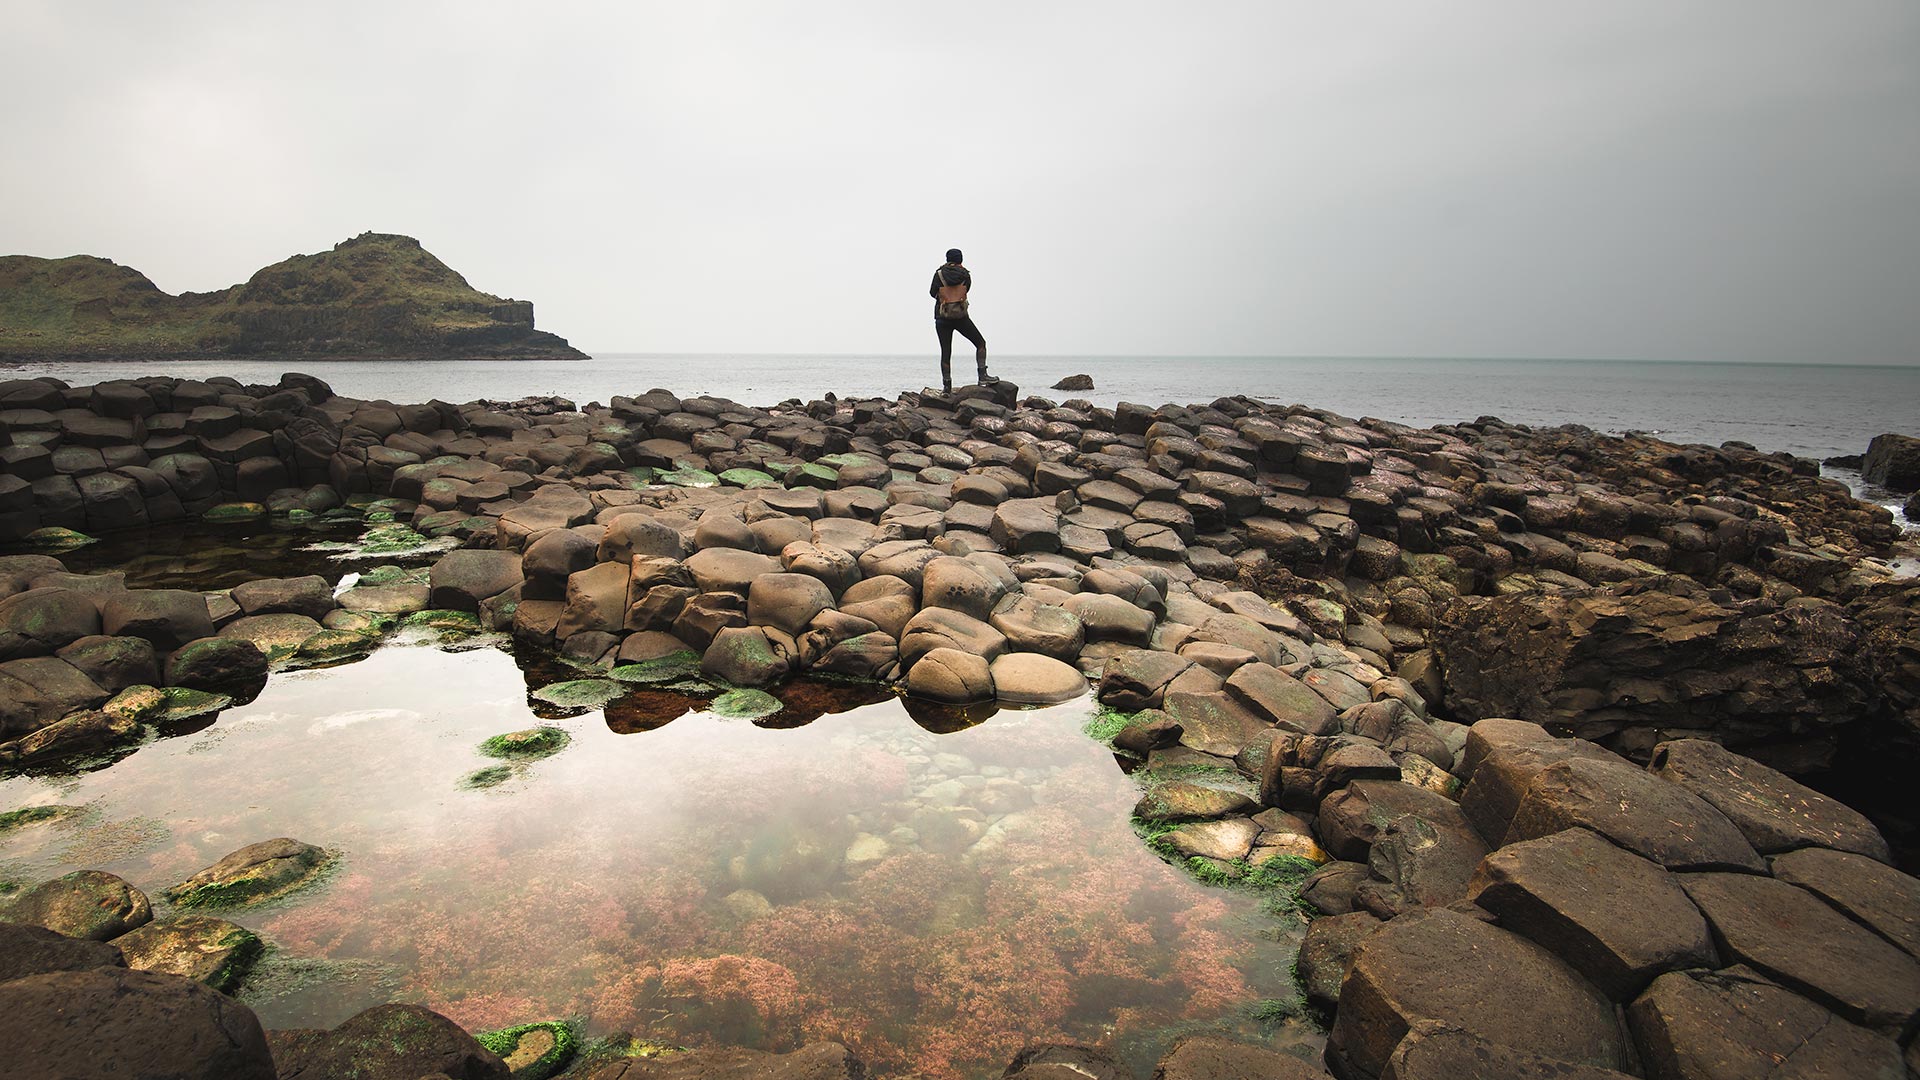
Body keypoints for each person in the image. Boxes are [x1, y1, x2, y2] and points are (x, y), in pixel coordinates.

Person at [930, 247, 988, 392]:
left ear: (947, 259)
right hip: (961, 317)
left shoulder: (939, 274)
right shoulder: (965, 274)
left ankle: (946, 388)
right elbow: (966, 290)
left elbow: (932, 293)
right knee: (980, 343)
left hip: (942, 316)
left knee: (946, 353)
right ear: (960, 259)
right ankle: (983, 377)